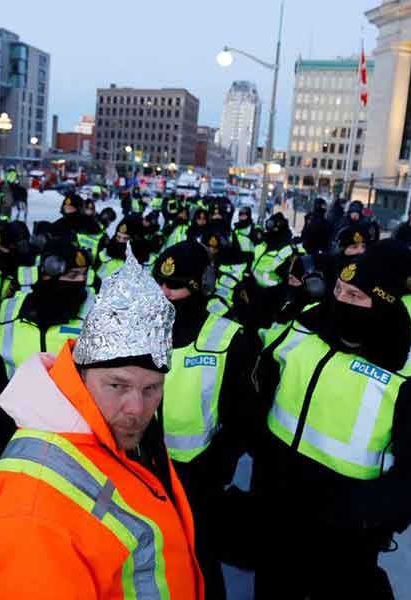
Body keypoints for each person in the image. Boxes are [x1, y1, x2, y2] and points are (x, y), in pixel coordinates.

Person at [0, 249, 204, 599]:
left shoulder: (125, 435)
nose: (137, 408)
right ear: (82, 373)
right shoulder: (34, 502)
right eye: (117, 385)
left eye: (152, 389)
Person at [252, 240, 411, 599]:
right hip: (276, 509)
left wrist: (362, 514)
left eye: (357, 297)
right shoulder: (305, 331)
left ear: (385, 304)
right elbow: (259, 385)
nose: (342, 302)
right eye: (340, 290)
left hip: (345, 531)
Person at [152, 242, 252, 600]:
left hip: (199, 475)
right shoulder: (140, 329)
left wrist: (222, 459)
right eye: (158, 283)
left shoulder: (227, 339)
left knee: (200, 558)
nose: (164, 293)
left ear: (197, 287)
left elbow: (243, 412)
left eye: (174, 285)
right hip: (142, 468)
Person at [0, 241, 95, 380]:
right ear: (49, 276)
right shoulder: (10, 308)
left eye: (84, 275)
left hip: (71, 399)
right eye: (73, 275)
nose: (81, 280)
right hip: (17, 396)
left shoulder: (94, 310)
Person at [250, 212, 293, 288]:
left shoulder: (285, 246)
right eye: (268, 223)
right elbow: (255, 230)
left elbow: (285, 273)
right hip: (252, 283)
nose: (268, 226)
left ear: (278, 226)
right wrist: (257, 229)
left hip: (269, 290)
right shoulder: (266, 237)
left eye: (271, 224)